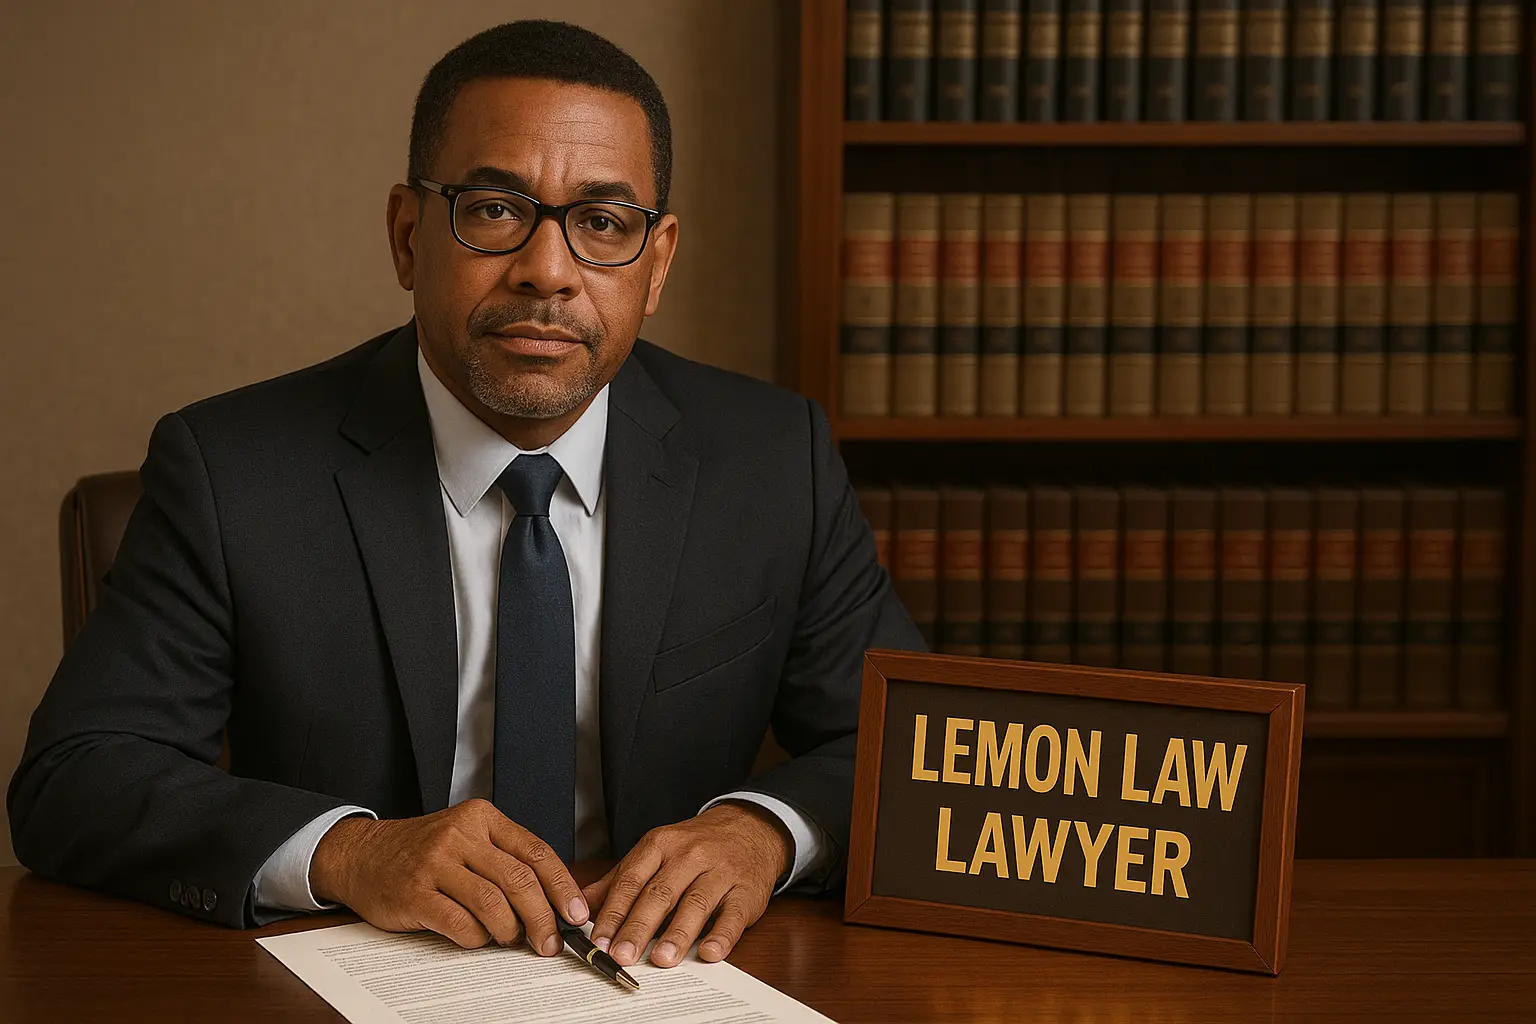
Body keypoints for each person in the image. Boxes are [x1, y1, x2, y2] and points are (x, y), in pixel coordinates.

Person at [8, 20, 922, 970]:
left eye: (604, 224)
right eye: (494, 209)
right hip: (355, 985)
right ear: (409, 236)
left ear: (657, 263)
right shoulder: (232, 469)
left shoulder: (773, 460)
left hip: (655, 987)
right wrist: (351, 850)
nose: (548, 270)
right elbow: (76, 780)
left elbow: (909, 750)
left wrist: (762, 831)